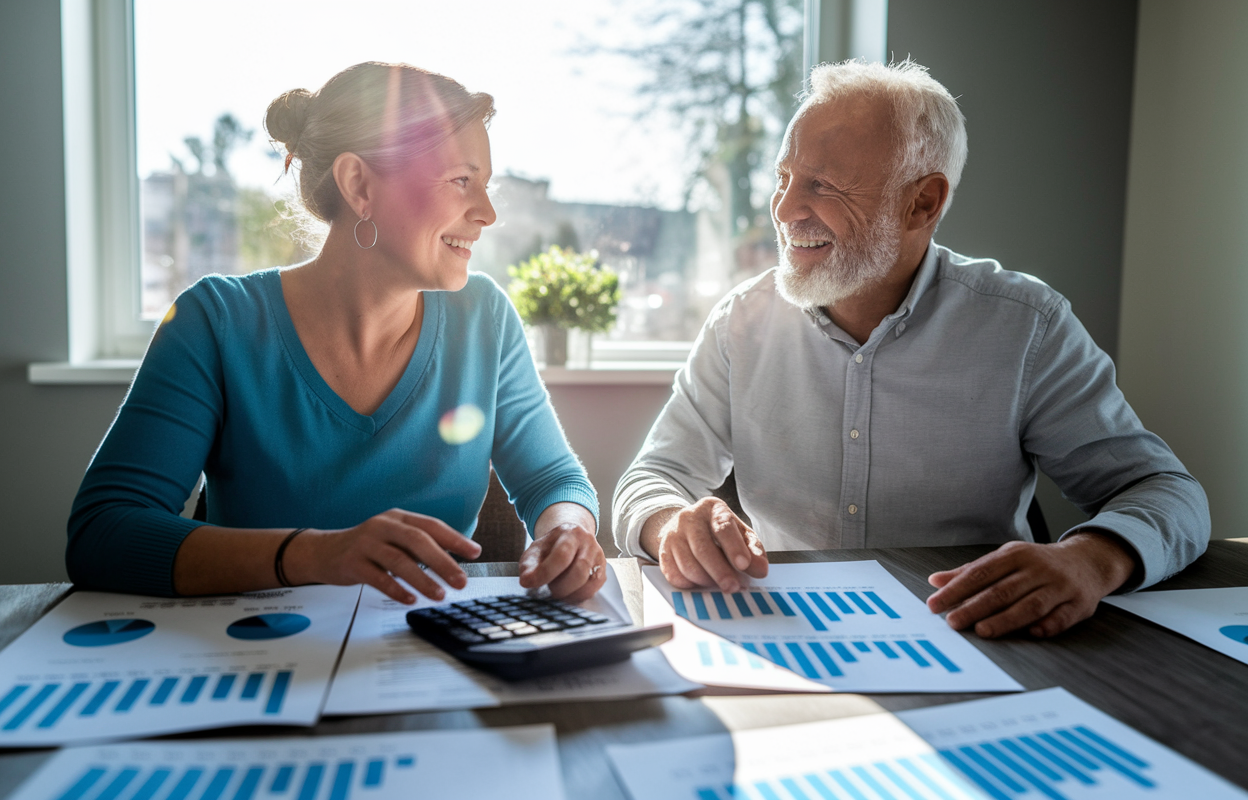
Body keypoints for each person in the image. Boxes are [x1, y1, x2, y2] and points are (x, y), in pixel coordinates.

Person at [613, 59, 1210, 639]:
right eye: (783, 177)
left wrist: (1091, 559)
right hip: (788, 634)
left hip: (976, 635)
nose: (785, 209)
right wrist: (672, 524)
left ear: (923, 202)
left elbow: (1167, 493)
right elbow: (653, 476)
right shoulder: (740, 322)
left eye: (821, 185)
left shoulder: (1026, 326)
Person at [68, 62, 607, 604]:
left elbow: (554, 480)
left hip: (434, 651)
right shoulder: (215, 322)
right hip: (260, 654)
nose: (487, 213)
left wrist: (568, 531)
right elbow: (102, 533)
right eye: (461, 181)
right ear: (359, 185)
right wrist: (316, 555)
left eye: (486, 186)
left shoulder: (483, 317)